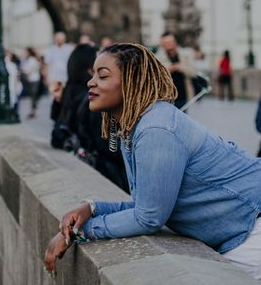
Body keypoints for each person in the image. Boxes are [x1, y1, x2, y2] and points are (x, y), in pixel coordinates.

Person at [44, 43, 261, 279]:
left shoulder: (156, 128)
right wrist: (92, 208)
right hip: (241, 229)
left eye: (103, 75)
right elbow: (146, 205)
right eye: (93, 73)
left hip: (251, 229)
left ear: (131, 81)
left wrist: (81, 231)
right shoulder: (137, 125)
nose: (91, 82)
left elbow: (148, 218)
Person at [157, 32, 197, 109]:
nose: (168, 44)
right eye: (165, 43)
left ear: (175, 42)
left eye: (170, 42)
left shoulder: (187, 54)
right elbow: (156, 76)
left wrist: (181, 68)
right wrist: (168, 69)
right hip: (166, 97)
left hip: (184, 95)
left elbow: (194, 73)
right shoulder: (158, 57)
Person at [44, 31, 73, 120]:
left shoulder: (69, 48)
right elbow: (47, 64)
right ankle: (56, 115)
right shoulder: (51, 49)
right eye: (58, 39)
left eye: (61, 39)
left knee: (65, 97)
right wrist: (46, 77)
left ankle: (64, 115)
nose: (60, 40)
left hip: (66, 77)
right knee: (56, 97)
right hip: (54, 77)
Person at [20, 47, 42, 119]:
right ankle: (33, 110)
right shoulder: (27, 60)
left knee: (33, 96)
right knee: (32, 96)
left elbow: (27, 70)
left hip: (34, 80)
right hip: (30, 80)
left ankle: (33, 111)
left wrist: (22, 70)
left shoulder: (32, 60)